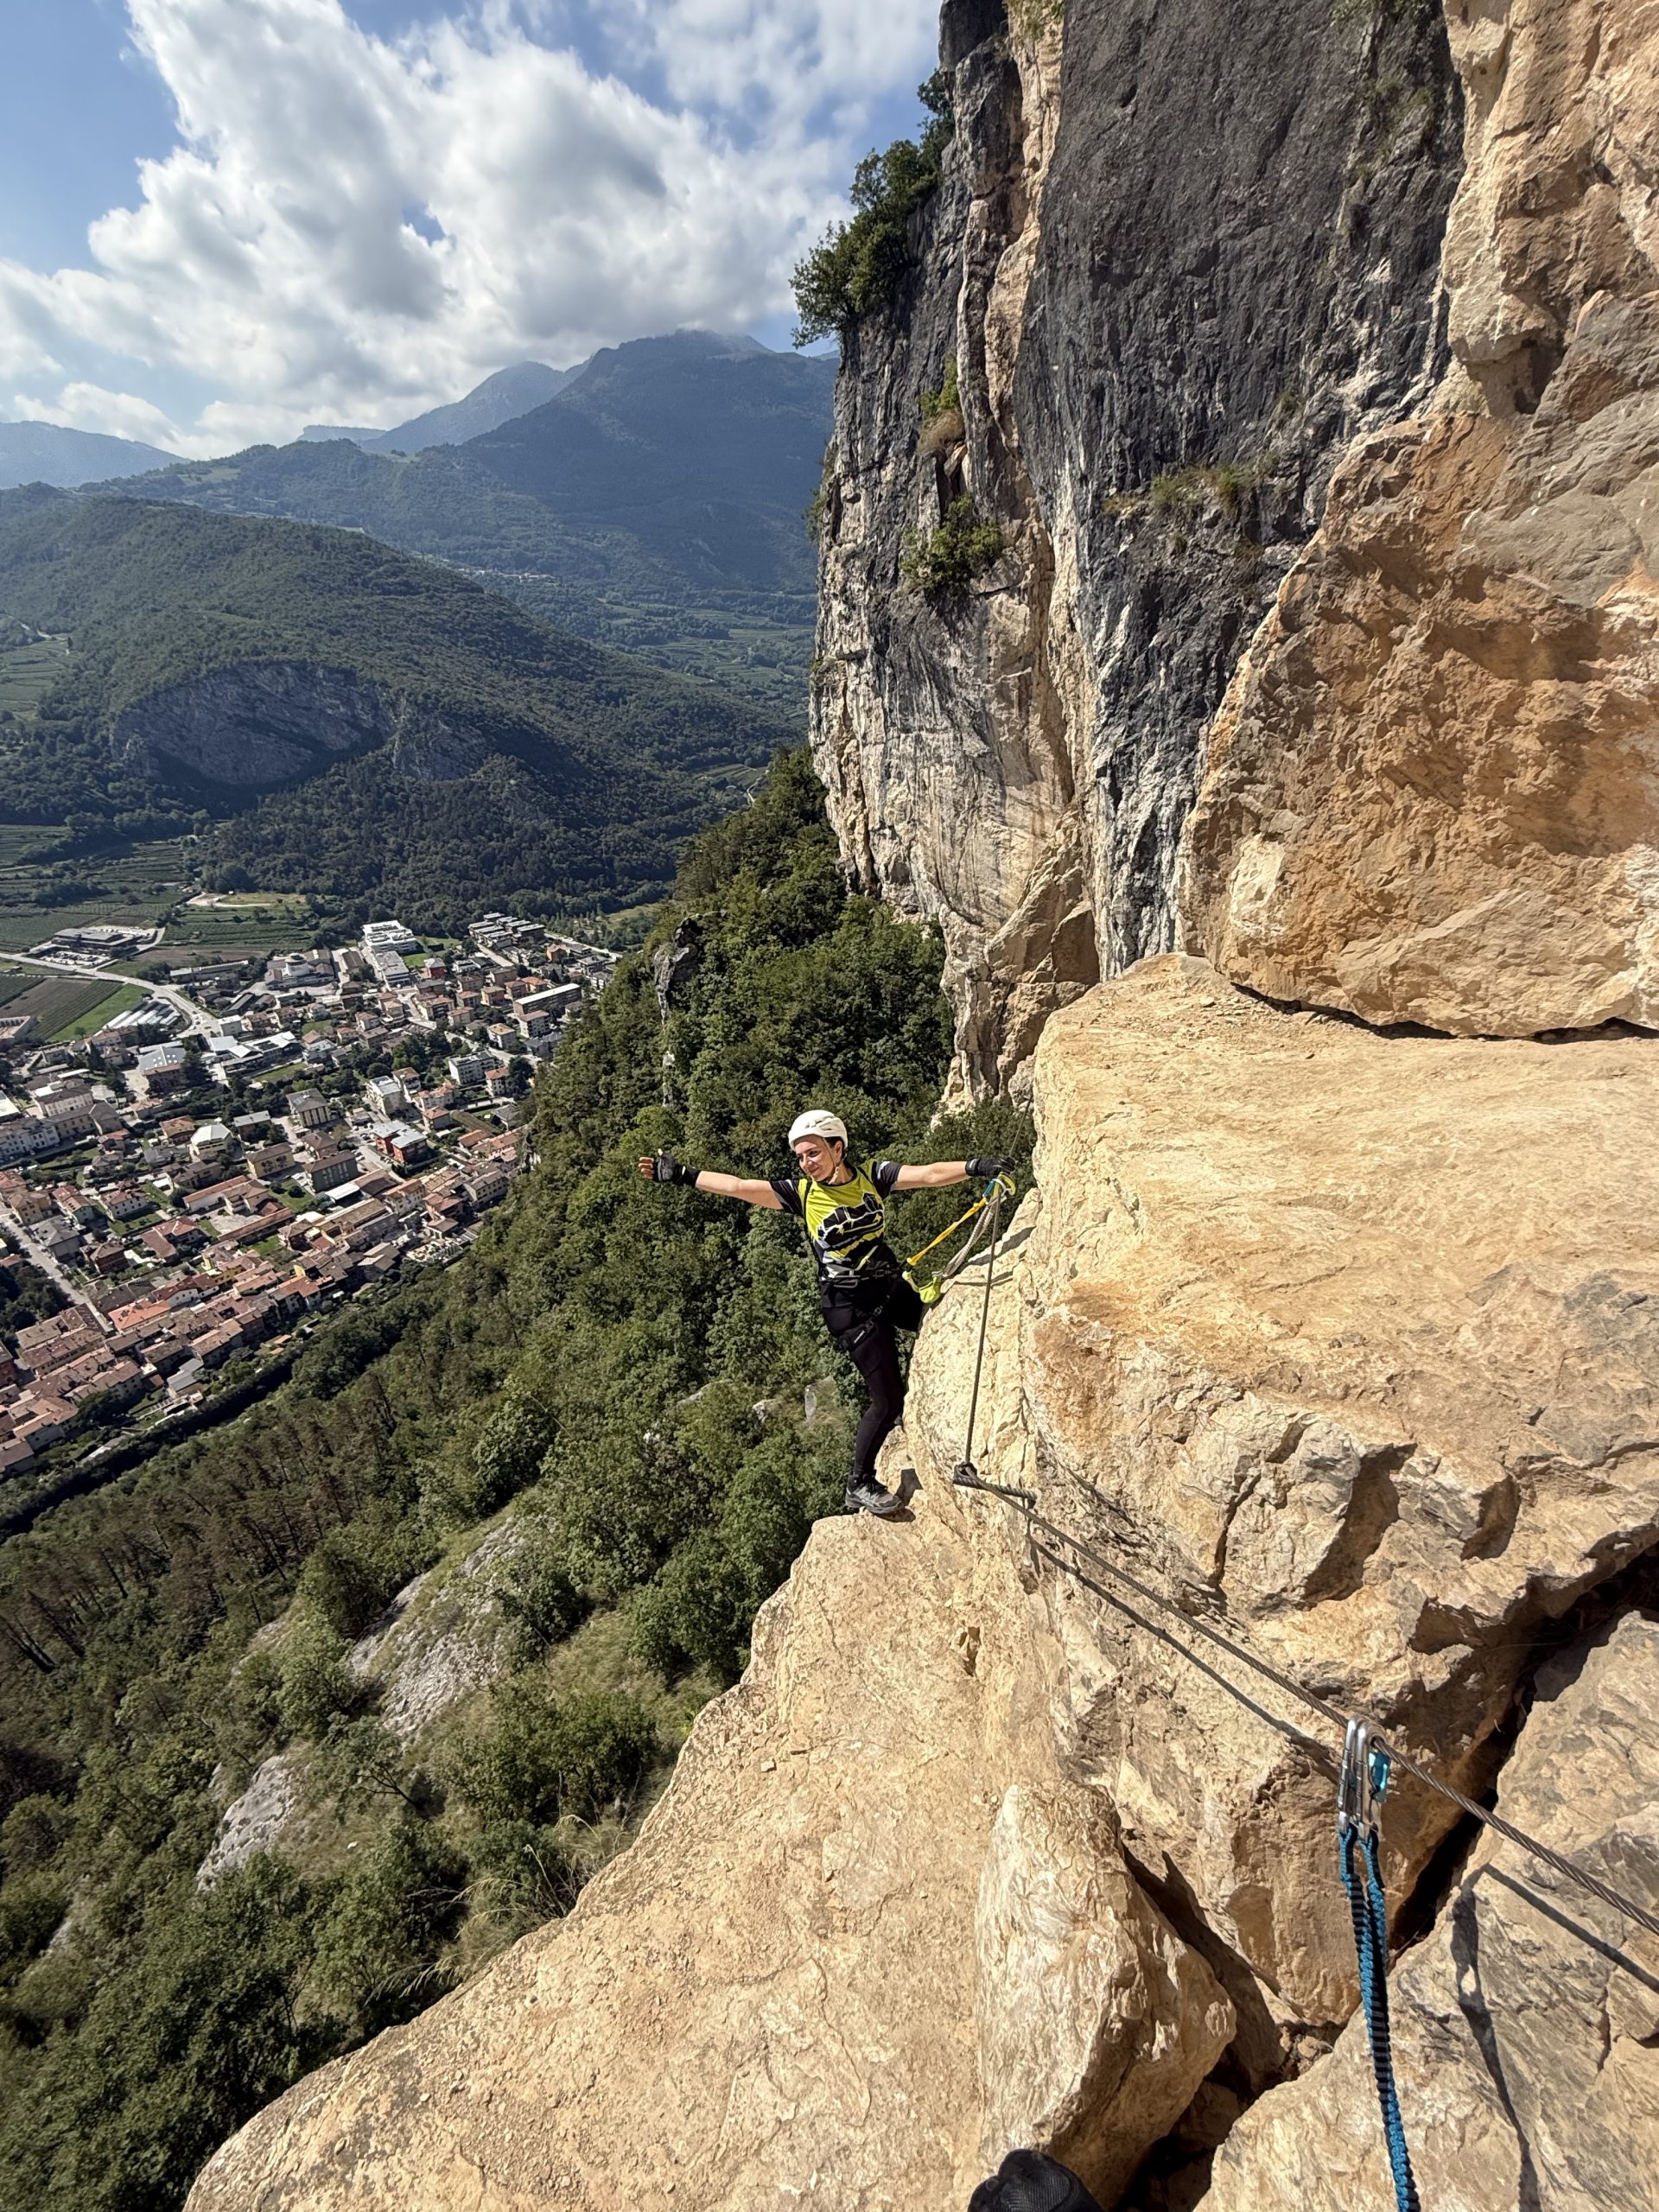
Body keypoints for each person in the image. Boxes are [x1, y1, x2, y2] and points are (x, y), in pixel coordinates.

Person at [639, 1109, 1011, 1518]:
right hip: (849, 1308)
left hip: (889, 1286)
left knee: (942, 1326)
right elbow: (740, 1187)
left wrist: (975, 1167)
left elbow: (927, 1175)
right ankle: (860, 1482)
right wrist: (682, 1174)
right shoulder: (802, 1195)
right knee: (887, 1401)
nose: (806, 1164)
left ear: (838, 1148)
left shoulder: (874, 1176)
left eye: (813, 1153)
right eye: (800, 1157)